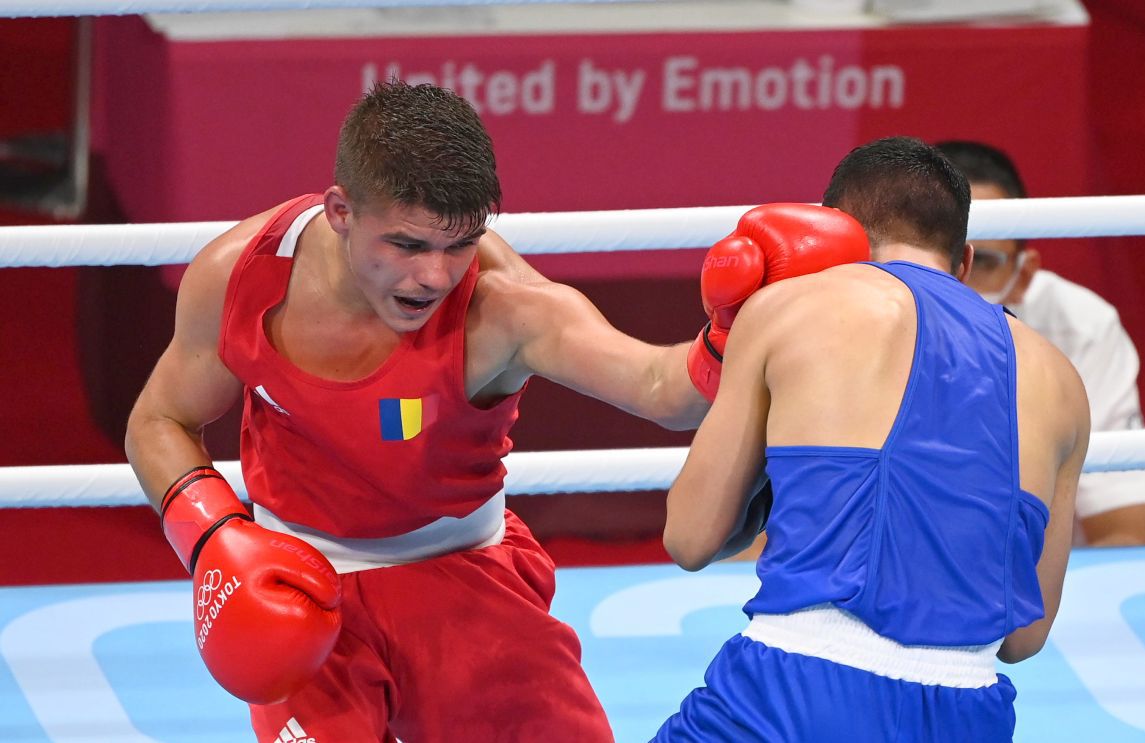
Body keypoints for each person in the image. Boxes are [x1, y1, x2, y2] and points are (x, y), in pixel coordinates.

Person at [123, 81, 869, 742]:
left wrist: (731, 329)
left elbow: (660, 389)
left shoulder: (503, 307)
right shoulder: (241, 277)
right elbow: (158, 420)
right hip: (297, 581)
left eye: (461, 243)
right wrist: (215, 538)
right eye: (408, 243)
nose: (434, 276)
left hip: (464, 580)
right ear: (340, 211)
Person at [656, 136, 1089, 741]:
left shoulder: (790, 307)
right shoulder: (1062, 382)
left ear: (829, 233)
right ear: (964, 262)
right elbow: (1024, 635)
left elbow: (690, 538)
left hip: (794, 689)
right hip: (970, 708)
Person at [937, 139, 1145, 546]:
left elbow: (1129, 532)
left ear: (1024, 275)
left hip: (1043, 593)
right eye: (939, 257)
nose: (958, 280)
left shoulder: (1081, 327)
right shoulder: (845, 319)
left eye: (983, 261)